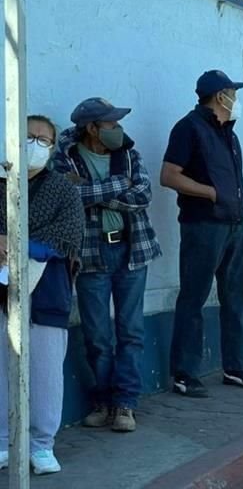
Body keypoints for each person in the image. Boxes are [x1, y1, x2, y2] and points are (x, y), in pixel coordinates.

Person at [52, 98, 161, 433]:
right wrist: (118, 188)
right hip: (90, 254)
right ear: (92, 128)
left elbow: (143, 194)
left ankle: (125, 404)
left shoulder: (128, 154)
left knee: (131, 331)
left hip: (132, 249)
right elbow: (67, 197)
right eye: (111, 124)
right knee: (98, 335)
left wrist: (91, 191)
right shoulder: (65, 157)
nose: (118, 130)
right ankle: (102, 401)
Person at [161, 70, 243, 397]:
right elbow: (169, 176)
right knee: (194, 297)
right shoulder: (188, 128)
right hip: (202, 225)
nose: (237, 99)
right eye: (234, 92)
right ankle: (184, 373)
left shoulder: (229, 134)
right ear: (221, 96)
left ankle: (235, 367)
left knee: (237, 297)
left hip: (235, 225)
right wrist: (211, 193)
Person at [0, 115, 84, 474]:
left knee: (46, 371)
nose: (35, 144)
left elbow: (68, 235)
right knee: (3, 369)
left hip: (47, 292)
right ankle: (3, 440)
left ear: (52, 148)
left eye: (43, 139)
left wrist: (17, 243)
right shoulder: (2, 185)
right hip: (3, 293)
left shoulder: (64, 190)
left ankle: (41, 445)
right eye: (29, 137)